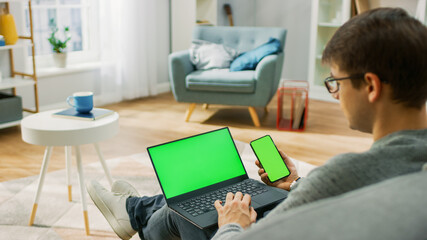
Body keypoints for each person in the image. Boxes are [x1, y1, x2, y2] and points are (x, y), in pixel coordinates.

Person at [87, 8, 427, 240]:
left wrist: (233, 225)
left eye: (335, 82)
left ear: (370, 86)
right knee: (216, 192)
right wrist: (294, 185)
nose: (335, 94)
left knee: (190, 210)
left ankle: (134, 216)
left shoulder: (343, 174)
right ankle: (134, 209)